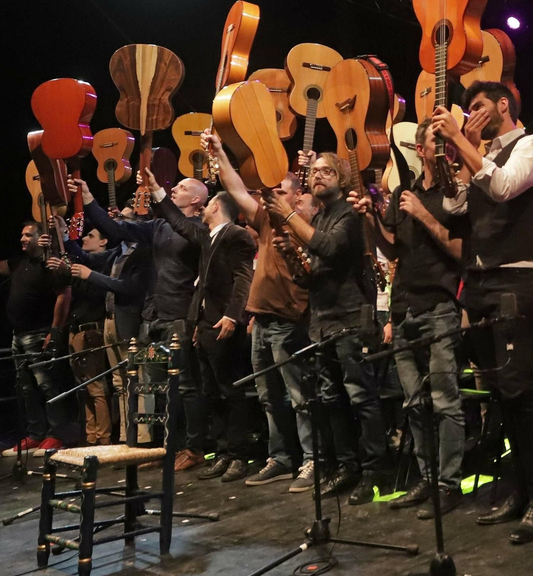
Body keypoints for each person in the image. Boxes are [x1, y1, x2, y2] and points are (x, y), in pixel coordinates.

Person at [432, 80, 533, 543]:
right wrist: (450, 156)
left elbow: (504, 187)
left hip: (515, 281)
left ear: (504, 105)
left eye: (479, 106)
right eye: (468, 110)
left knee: (520, 393)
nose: (472, 114)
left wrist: (463, 140)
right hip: (480, 282)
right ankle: (519, 490)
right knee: (500, 397)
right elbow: (455, 207)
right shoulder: (476, 155)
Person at [357, 126, 470, 519]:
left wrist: (423, 214)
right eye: (435, 143)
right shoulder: (403, 194)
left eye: (447, 143)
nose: (443, 150)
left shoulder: (456, 195)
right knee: (414, 404)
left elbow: (460, 251)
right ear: (419, 149)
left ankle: (449, 483)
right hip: (404, 309)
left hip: (440, 306)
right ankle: (427, 478)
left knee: (445, 401)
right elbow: (391, 247)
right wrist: (371, 219)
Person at [202, 133, 321, 494]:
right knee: (270, 398)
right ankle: (282, 458)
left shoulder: (307, 227)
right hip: (262, 319)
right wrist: (220, 152)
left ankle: (311, 459)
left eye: (281, 191)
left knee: (299, 396)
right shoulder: (267, 221)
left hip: (290, 320)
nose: (270, 196)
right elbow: (237, 190)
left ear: (299, 196)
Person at [274, 152, 387, 505]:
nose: (317, 175)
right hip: (322, 321)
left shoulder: (349, 214)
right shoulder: (320, 216)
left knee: (360, 397)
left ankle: (374, 471)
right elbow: (313, 275)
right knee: (332, 399)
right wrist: (292, 255)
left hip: (351, 318)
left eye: (326, 170)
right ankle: (348, 466)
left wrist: (290, 217)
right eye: (313, 171)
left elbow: (330, 247)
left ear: (341, 177)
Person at [78, 176, 210, 470]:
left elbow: (181, 226)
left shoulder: (198, 229)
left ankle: (194, 447)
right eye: (174, 187)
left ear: (197, 201)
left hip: (178, 316)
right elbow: (117, 228)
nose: (174, 189)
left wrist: (159, 193)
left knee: (186, 387)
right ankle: (165, 447)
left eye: (183, 188)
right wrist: (88, 198)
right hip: (152, 316)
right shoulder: (159, 226)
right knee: (155, 387)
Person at [146, 169, 262, 483]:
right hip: (206, 325)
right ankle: (223, 452)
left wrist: (232, 315)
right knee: (212, 392)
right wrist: (157, 189)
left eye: (207, 205)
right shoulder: (207, 237)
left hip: (225, 324)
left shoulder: (235, 234)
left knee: (231, 391)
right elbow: (178, 223)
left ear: (213, 207)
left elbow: (243, 279)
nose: (203, 210)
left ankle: (238, 455)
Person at [0, 221, 76, 458]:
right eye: (22, 234)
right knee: (26, 387)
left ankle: (56, 435)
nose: (22, 239)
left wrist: (54, 331)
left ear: (41, 239)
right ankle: (35, 434)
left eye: (28, 235)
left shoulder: (50, 265)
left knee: (47, 385)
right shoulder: (19, 263)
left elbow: (63, 296)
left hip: (39, 332)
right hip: (19, 335)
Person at [68, 212, 148, 445]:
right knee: (118, 382)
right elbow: (84, 257)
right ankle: (126, 436)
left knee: (137, 381)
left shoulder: (142, 251)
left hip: (129, 321)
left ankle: (142, 440)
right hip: (110, 320)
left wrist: (90, 276)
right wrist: (64, 235)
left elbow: (128, 287)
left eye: (122, 218)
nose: (115, 222)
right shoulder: (117, 252)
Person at [63, 227, 115, 445]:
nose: (84, 238)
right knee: (83, 387)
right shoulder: (82, 268)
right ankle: (91, 435)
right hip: (76, 330)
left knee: (96, 386)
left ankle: (103, 437)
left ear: (104, 242)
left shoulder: (102, 263)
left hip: (91, 330)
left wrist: (66, 237)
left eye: (91, 236)